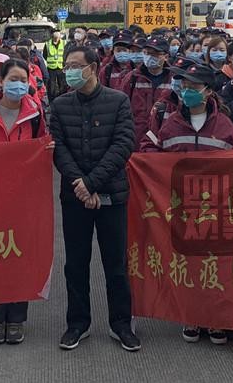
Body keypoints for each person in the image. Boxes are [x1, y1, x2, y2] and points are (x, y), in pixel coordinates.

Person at [141, 62, 233, 345]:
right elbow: (151, 151)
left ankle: (215, 318)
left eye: (193, 87)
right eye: (183, 86)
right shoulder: (171, 123)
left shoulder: (225, 126)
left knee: (216, 264)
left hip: (216, 208)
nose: (186, 91)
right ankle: (192, 316)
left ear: (208, 91)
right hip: (182, 206)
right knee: (188, 263)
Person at [51, 46, 140, 353]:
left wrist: (91, 184)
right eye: (67, 66)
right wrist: (81, 185)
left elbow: (123, 144)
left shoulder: (118, 101)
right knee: (76, 263)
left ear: (93, 67)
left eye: (76, 65)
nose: (70, 71)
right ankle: (77, 323)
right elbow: (58, 148)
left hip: (111, 194)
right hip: (74, 196)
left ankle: (121, 323)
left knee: (116, 263)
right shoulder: (60, 105)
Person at [0, 58, 49, 345]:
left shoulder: (34, 113)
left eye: (23, 80)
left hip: (23, 198)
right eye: (13, 79)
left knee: (18, 255)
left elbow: (41, 146)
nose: (18, 85)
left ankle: (17, 318)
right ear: (1, 81)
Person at [120, 37, 175, 148]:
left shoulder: (174, 79)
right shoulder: (132, 78)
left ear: (165, 57)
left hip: (165, 138)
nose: (149, 57)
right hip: (135, 138)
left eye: (155, 54)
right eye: (146, 53)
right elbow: (121, 109)